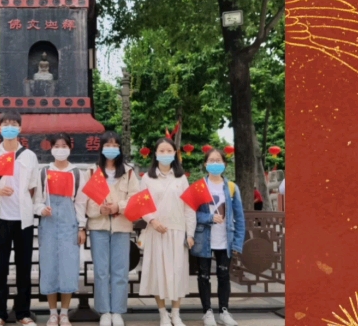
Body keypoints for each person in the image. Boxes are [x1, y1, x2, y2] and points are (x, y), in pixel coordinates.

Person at [0, 111, 40, 326]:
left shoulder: (29, 156)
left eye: (14, 124)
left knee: (24, 267)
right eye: (5, 124)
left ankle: (23, 313)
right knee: (1, 267)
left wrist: (26, 204)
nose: (10, 127)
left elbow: (34, 188)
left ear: (20, 128)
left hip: (23, 219)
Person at [138, 138, 196, 326]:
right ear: (155, 154)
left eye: (168, 150)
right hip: (156, 231)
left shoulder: (181, 178)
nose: (165, 154)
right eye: (161, 151)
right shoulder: (147, 178)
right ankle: (163, 313)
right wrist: (152, 221)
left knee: (177, 272)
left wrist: (190, 233)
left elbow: (189, 207)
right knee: (158, 273)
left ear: (174, 153)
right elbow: (142, 204)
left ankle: (176, 313)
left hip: (177, 231)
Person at [85, 131, 140, 326]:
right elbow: (86, 201)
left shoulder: (129, 172)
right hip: (98, 226)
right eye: (107, 145)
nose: (111, 148)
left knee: (120, 270)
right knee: (101, 271)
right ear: (101, 148)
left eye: (115, 145)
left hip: (121, 226)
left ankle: (117, 310)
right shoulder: (92, 171)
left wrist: (119, 207)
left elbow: (135, 198)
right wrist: (99, 209)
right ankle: (104, 311)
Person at [33, 132, 87, 326]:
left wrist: (82, 227)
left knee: (68, 268)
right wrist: (41, 209)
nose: (61, 149)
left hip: (69, 226)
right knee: (49, 268)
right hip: (48, 225)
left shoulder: (78, 173)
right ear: (51, 148)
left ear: (70, 148)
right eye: (57, 146)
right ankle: (52, 313)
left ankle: (64, 312)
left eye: (64, 146)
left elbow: (80, 203)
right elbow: (36, 200)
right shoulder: (43, 172)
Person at [190, 149, 245, 326]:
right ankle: (207, 312)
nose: (215, 164)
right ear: (205, 164)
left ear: (224, 164)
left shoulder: (231, 187)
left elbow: (240, 217)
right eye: (211, 160)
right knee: (203, 277)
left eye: (218, 160)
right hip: (203, 239)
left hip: (225, 240)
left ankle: (223, 311)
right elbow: (191, 214)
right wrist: (209, 218)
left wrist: (237, 242)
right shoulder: (199, 187)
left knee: (223, 276)